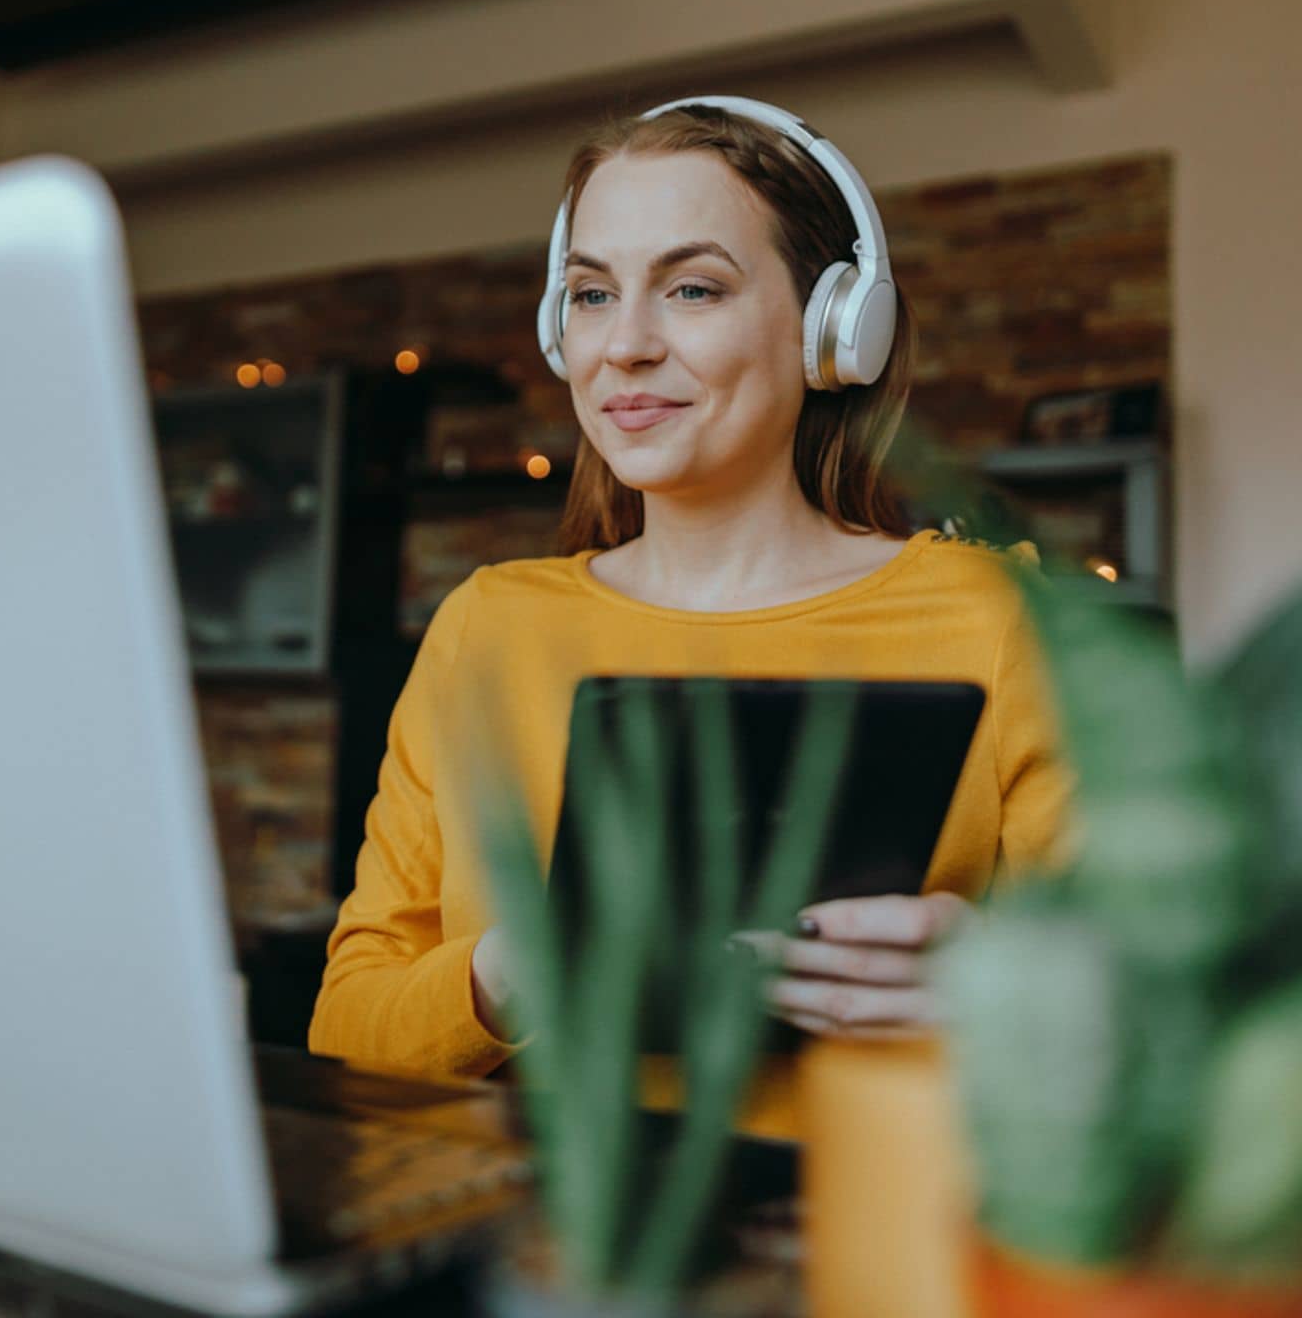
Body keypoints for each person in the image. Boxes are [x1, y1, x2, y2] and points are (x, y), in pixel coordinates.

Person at [309, 96, 1070, 1136]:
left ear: (832, 327)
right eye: (589, 295)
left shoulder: (1001, 621)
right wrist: (510, 968)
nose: (622, 346)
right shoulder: (487, 628)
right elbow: (346, 1029)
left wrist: (993, 994)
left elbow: (1161, 1026)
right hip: (532, 1261)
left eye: (693, 288)